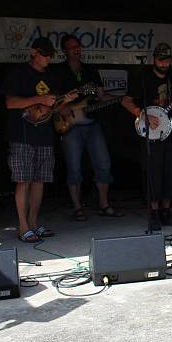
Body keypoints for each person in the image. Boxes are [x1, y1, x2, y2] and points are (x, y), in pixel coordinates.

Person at [1, 37, 76, 243]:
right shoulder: (18, 73)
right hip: (21, 134)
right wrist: (39, 99)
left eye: (51, 55)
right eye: (44, 54)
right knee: (23, 180)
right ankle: (23, 226)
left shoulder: (52, 76)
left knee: (40, 180)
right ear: (33, 52)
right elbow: (10, 102)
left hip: (44, 134)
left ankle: (34, 223)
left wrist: (64, 102)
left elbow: (54, 106)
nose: (48, 58)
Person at [53, 34, 122, 222]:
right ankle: (77, 208)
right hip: (70, 124)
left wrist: (121, 98)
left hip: (92, 123)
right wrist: (62, 107)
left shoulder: (90, 70)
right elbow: (53, 100)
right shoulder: (58, 71)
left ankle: (104, 204)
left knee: (104, 164)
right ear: (64, 51)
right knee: (74, 167)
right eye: (72, 46)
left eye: (78, 45)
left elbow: (100, 96)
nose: (77, 48)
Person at [121, 42, 172, 230]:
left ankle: (166, 211)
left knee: (170, 173)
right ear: (154, 59)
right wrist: (142, 114)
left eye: (167, 60)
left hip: (171, 132)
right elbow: (125, 100)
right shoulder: (143, 78)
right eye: (161, 60)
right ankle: (154, 213)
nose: (164, 64)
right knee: (153, 173)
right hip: (151, 134)